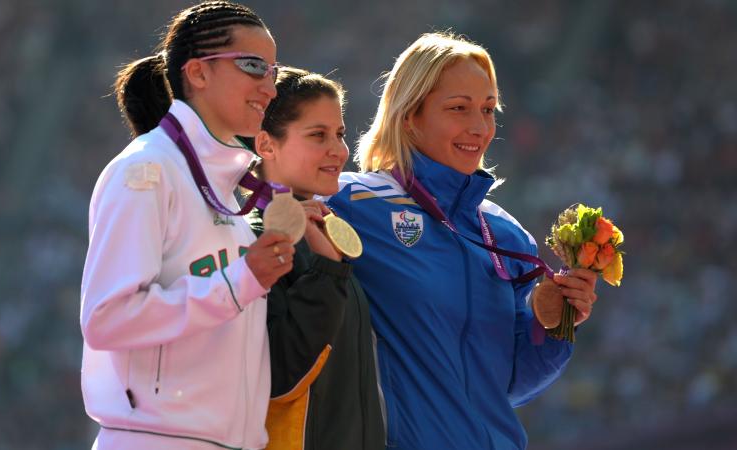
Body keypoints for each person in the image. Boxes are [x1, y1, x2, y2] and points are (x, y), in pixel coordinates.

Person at [324, 32, 599, 449]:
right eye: (458, 109)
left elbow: (510, 385)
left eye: (488, 110)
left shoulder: (506, 234)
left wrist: (551, 325)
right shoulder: (351, 201)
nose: (479, 127)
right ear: (409, 116)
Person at [79, 2, 294, 449]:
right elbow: (106, 319)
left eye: (274, 71)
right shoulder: (146, 171)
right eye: (254, 67)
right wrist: (239, 281)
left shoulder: (225, 188)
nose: (270, 88)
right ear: (198, 73)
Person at [247, 67, 385, 450]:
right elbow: (276, 377)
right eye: (317, 135)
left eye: (339, 134)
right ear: (266, 144)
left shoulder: (322, 228)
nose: (338, 151)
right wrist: (327, 275)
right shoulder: (252, 235)